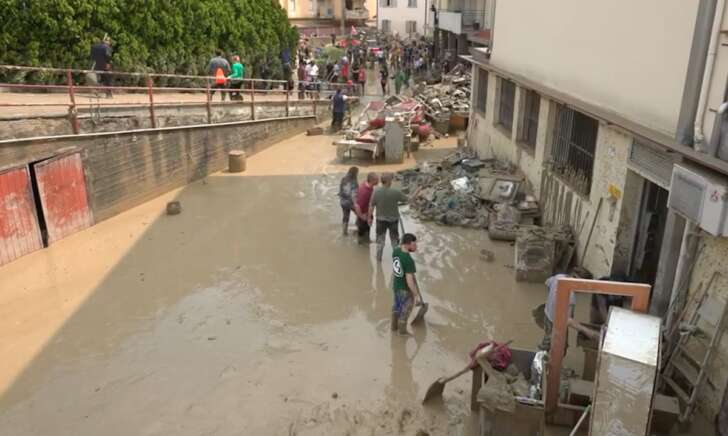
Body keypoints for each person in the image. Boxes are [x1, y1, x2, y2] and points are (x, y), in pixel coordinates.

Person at [540, 268, 593, 351]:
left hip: (547, 314)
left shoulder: (559, 277)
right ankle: (540, 358)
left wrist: (552, 298)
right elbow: (568, 320)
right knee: (558, 347)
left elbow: (547, 282)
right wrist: (587, 331)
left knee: (548, 338)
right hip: (557, 323)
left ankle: (543, 353)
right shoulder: (571, 296)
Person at [368, 172, 408, 261]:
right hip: (393, 220)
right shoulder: (396, 192)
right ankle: (397, 261)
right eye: (391, 179)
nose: (392, 181)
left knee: (380, 242)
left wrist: (369, 218)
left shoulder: (376, 191)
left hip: (380, 220)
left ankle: (378, 259)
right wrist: (418, 191)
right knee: (394, 242)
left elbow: (371, 205)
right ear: (389, 181)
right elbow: (409, 200)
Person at [391, 233, 422, 335]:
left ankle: (393, 328)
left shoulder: (396, 251)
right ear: (407, 244)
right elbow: (409, 281)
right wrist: (416, 294)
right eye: (414, 244)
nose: (416, 246)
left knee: (396, 308)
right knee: (404, 313)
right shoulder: (409, 261)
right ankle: (402, 333)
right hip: (404, 290)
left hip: (396, 286)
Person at [354, 172, 379, 244]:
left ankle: (367, 242)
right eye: (377, 180)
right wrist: (362, 216)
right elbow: (357, 206)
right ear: (372, 180)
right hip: (364, 216)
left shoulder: (366, 184)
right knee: (362, 234)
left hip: (366, 214)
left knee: (367, 231)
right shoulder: (365, 192)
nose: (378, 181)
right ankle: (362, 248)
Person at [339, 167, 359, 235]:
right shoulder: (354, 181)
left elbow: (341, 191)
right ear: (355, 173)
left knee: (345, 216)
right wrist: (356, 203)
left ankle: (344, 232)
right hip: (351, 202)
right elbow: (354, 194)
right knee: (359, 214)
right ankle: (357, 229)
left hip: (343, 202)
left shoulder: (343, 179)